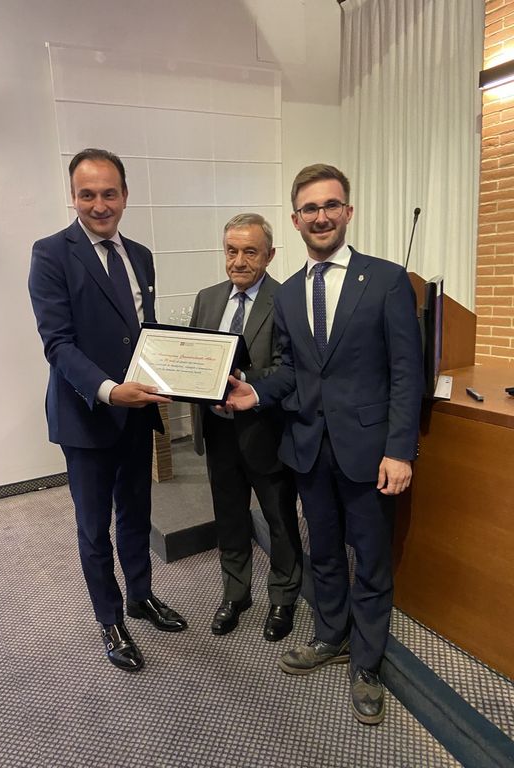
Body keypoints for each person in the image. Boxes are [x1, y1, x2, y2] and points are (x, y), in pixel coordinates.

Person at [225, 165, 423, 724]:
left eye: (331, 205)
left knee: (372, 560)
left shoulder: (386, 280)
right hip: (309, 448)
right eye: (309, 208)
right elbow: (292, 370)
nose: (321, 216)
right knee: (326, 553)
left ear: (348, 212)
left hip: (370, 451)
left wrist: (400, 450)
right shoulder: (288, 294)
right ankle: (331, 635)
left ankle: (366, 663)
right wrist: (254, 393)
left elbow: (406, 373)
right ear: (295, 220)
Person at [28, 148, 187, 673]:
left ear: (125, 195)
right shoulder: (51, 254)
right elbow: (57, 344)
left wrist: (178, 370)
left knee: (136, 513)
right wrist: (108, 390)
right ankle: (110, 619)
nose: (100, 205)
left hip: (137, 414)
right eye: (88, 194)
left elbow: (144, 333)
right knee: (94, 528)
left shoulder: (140, 254)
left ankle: (140, 596)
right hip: (86, 415)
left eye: (109, 193)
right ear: (73, 197)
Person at [190, 214, 302, 642]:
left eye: (250, 252)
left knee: (279, 519)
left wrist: (245, 380)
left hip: (265, 431)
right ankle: (235, 594)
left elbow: (291, 368)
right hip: (218, 430)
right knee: (229, 517)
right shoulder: (207, 298)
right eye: (232, 251)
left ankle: (283, 597)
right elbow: (196, 356)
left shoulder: (286, 299)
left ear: (269, 255)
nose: (238, 261)